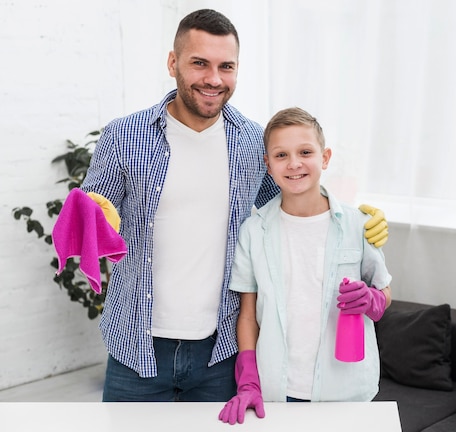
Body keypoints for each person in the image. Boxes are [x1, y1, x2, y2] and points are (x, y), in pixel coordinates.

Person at [78, 9, 388, 402]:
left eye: (226, 66)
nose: (213, 78)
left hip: (221, 354)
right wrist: (91, 217)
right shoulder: (123, 136)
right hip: (136, 347)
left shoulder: (253, 143)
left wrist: (358, 218)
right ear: (173, 63)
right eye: (199, 63)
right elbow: (89, 222)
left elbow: (289, 210)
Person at [219, 107, 392, 424]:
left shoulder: (358, 224)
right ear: (267, 165)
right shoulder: (254, 232)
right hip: (278, 390)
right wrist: (248, 380)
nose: (294, 163)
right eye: (281, 155)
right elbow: (247, 315)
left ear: (325, 158)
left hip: (347, 390)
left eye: (305, 152)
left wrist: (373, 299)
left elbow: (383, 294)